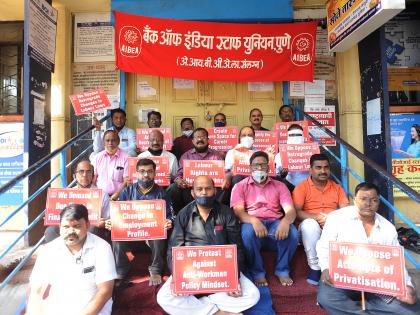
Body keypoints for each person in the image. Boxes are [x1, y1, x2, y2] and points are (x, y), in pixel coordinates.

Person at [157, 175, 260, 315]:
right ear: (192, 193)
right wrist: (177, 276)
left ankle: (201, 307)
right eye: (199, 189)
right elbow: (173, 249)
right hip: (191, 270)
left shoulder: (226, 213)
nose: (204, 192)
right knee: (164, 298)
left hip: (222, 269)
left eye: (208, 189)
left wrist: (233, 278)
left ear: (215, 191)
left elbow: (237, 247)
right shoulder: (184, 214)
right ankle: (217, 312)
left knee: (253, 295)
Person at [317, 182, 420, 314]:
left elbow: (396, 264)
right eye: (363, 199)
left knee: (412, 310)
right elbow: (324, 245)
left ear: (378, 202)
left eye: (374, 200)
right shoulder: (337, 218)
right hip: (344, 279)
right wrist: (326, 267)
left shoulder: (387, 228)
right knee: (326, 298)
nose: (368, 203)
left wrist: (407, 286)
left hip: (376, 283)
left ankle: (361, 310)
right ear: (354, 200)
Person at [27, 204, 117, 315]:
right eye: (66, 227)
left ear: (87, 225)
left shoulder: (102, 248)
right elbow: (36, 289)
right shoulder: (49, 250)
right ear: (59, 227)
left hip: (93, 309)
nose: (71, 231)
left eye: (77, 226)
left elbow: (105, 291)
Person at [231, 151, 298, 287]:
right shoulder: (240, 186)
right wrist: (254, 220)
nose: (260, 168)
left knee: (293, 233)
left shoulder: (280, 186)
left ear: (269, 167)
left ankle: (282, 270)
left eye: (263, 165)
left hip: (275, 222)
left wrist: (285, 222)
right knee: (247, 234)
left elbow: (290, 211)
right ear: (250, 168)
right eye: (256, 165)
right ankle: (258, 273)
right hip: (251, 221)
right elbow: (238, 212)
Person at [106, 158, 174, 286]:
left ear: (155, 173)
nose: (146, 175)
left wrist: (169, 221)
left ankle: (155, 269)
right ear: (136, 173)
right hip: (132, 238)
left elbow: (171, 215)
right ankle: (121, 269)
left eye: (149, 171)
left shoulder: (162, 193)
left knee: (159, 230)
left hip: (151, 240)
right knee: (116, 232)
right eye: (142, 171)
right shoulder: (127, 191)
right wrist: (112, 221)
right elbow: (119, 214)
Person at [293, 154, 349, 285]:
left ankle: (342, 270)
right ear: (310, 170)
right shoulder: (301, 187)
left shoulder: (337, 188)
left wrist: (331, 220)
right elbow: (296, 212)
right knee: (310, 225)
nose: (323, 171)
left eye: (326, 167)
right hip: (307, 231)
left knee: (347, 224)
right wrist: (317, 218)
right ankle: (315, 268)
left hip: (331, 226)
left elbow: (345, 210)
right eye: (318, 167)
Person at [44, 160, 111, 243]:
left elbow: (108, 219)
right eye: (81, 171)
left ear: (93, 176)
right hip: (70, 226)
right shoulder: (66, 194)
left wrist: (102, 222)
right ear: (74, 176)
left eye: (88, 172)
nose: (85, 175)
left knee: (93, 229)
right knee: (51, 231)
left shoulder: (102, 194)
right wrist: (51, 217)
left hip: (91, 227)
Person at [169, 128, 225, 213]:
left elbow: (223, 174)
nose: (200, 139)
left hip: (211, 189)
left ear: (208, 140)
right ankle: (183, 214)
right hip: (190, 190)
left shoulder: (217, 156)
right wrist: (178, 180)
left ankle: (216, 213)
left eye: (203, 137)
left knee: (224, 187)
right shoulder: (186, 156)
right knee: (174, 188)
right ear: (192, 141)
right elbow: (179, 174)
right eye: (197, 137)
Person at [93, 130, 128, 201]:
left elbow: (126, 181)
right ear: (103, 142)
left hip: (119, 197)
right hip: (99, 197)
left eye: (113, 140)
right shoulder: (97, 157)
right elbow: (94, 178)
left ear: (118, 141)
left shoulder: (126, 157)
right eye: (107, 140)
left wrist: (116, 195)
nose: (110, 143)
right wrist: (96, 194)